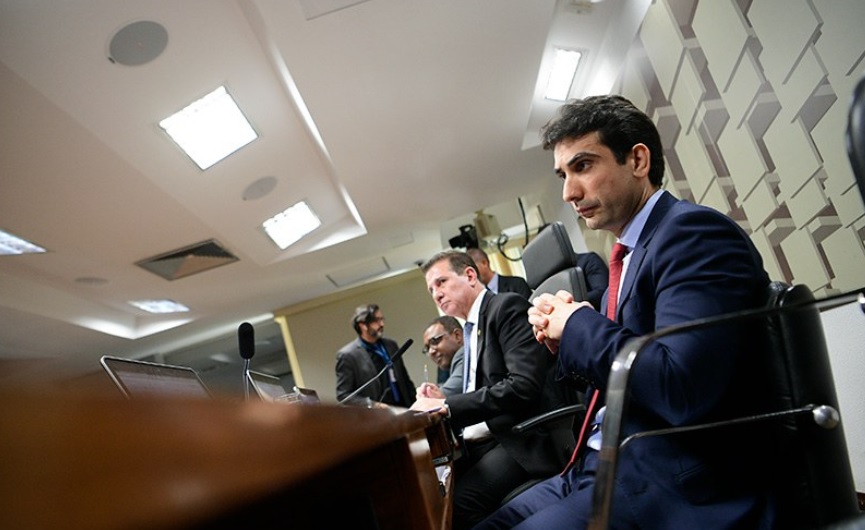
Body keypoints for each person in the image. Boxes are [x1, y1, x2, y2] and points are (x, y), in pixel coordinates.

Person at [475, 95, 773, 529]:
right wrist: (566, 335)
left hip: (666, 480)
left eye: (583, 166)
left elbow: (679, 386)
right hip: (594, 468)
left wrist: (577, 323)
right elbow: (629, 361)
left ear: (637, 160)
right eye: (563, 174)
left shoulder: (691, 233)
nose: (569, 192)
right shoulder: (632, 251)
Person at [411, 250, 573, 530]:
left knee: (458, 507)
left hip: (519, 436)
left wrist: (448, 407)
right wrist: (444, 399)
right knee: (430, 495)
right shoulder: (471, 329)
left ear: (470, 275)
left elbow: (522, 386)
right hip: (486, 440)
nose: (436, 294)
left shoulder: (504, 307)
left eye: (441, 283)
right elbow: (484, 388)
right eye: (430, 290)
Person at [335, 303, 415, 408]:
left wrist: (416, 403)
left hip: (404, 407)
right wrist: (373, 405)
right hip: (377, 416)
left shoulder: (391, 345)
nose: (382, 324)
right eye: (376, 320)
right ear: (362, 325)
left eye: (382, 319)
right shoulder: (348, 355)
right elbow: (343, 395)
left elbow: (404, 379)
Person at [418, 315, 465, 398]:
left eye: (435, 341)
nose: (431, 352)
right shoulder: (445, 366)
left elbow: (442, 396)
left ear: (458, 336)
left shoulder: (465, 355)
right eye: (427, 348)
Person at [466, 246, 532, 299]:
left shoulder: (517, 284)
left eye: (473, 269)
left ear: (484, 263)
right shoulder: (480, 297)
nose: (472, 275)